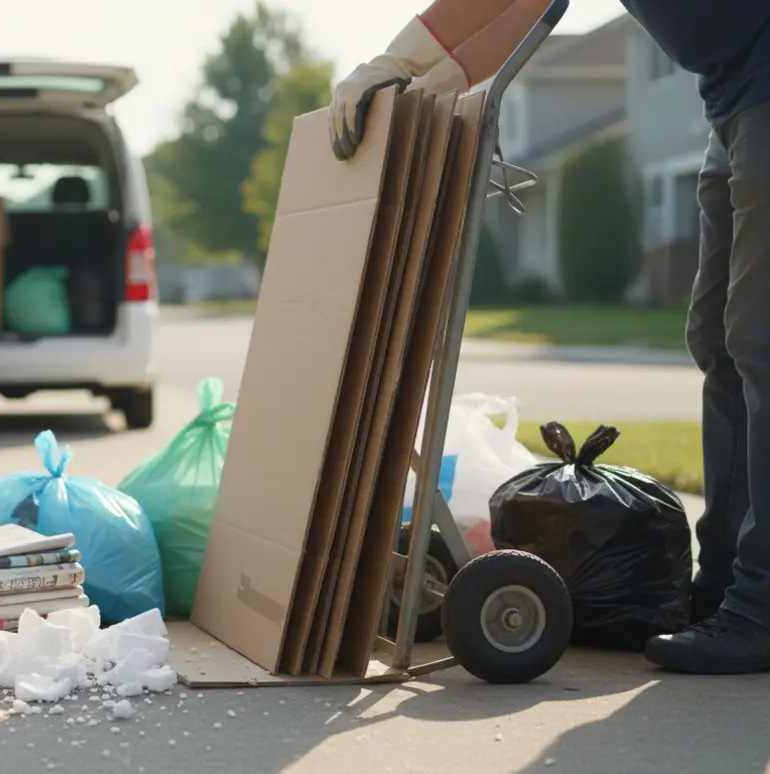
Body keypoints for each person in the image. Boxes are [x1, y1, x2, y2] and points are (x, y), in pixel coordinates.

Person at [330, 0, 770, 675]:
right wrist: (419, 75)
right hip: (734, 97)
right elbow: (518, 13)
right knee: (718, 341)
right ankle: (723, 585)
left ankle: (761, 605)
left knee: (759, 343)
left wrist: (405, 60)